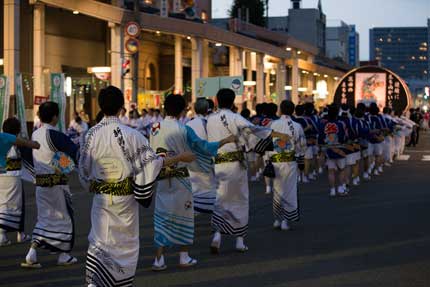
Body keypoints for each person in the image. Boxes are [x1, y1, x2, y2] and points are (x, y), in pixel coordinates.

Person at [79, 86, 196, 286]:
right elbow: (152, 163)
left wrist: (90, 184)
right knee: (124, 243)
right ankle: (117, 281)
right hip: (125, 199)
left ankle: (96, 281)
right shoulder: (131, 135)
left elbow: (83, 168)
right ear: (121, 107)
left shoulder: (91, 134)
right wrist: (179, 157)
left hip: (101, 197)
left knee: (99, 239)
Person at [150, 94, 234, 271]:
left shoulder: (154, 128)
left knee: (162, 217)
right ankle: (184, 256)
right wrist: (224, 141)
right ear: (182, 111)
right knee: (185, 217)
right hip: (180, 178)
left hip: (162, 178)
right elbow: (202, 147)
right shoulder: (183, 129)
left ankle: (159, 260)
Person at [207, 88, 290, 253]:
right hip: (235, 163)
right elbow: (255, 132)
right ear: (232, 101)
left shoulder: (210, 119)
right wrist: (278, 135)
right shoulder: (236, 118)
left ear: (216, 100)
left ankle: (217, 234)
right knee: (240, 199)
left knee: (221, 198)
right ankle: (239, 240)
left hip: (217, 163)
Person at [22, 101, 79, 268]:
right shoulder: (55, 135)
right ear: (55, 116)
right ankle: (63, 255)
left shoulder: (35, 134)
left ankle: (32, 253)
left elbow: (28, 156)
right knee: (64, 218)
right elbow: (74, 153)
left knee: (44, 219)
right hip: (57, 185)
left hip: (40, 183)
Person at [267, 100, 305, 230]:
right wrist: (301, 161)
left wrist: (267, 159)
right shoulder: (297, 126)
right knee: (289, 190)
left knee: (277, 190)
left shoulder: (273, 124)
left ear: (281, 110)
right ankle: (285, 220)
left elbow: (267, 143)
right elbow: (301, 146)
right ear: (293, 110)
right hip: (290, 162)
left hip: (276, 161)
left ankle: (277, 219)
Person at [0, 118, 37, 246]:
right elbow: (31, 160)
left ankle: (2, 234)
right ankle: (20, 233)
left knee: (2, 205)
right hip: (13, 178)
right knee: (18, 206)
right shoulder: (18, 143)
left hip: (1, 177)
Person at [186, 98, 218, 214]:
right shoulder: (211, 124)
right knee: (212, 190)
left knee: (194, 190)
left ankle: (193, 216)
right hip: (209, 161)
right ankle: (216, 227)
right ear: (207, 110)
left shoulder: (188, 124)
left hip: (192, 162)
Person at [318, 104, 348, 197]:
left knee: (331, 171)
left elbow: (321, 138)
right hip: (340, 148)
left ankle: (332, 190)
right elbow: (345, 136)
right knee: (341, 169)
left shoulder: (323, 124)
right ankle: (340, 187)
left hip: (328, 149)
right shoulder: (341, 124)